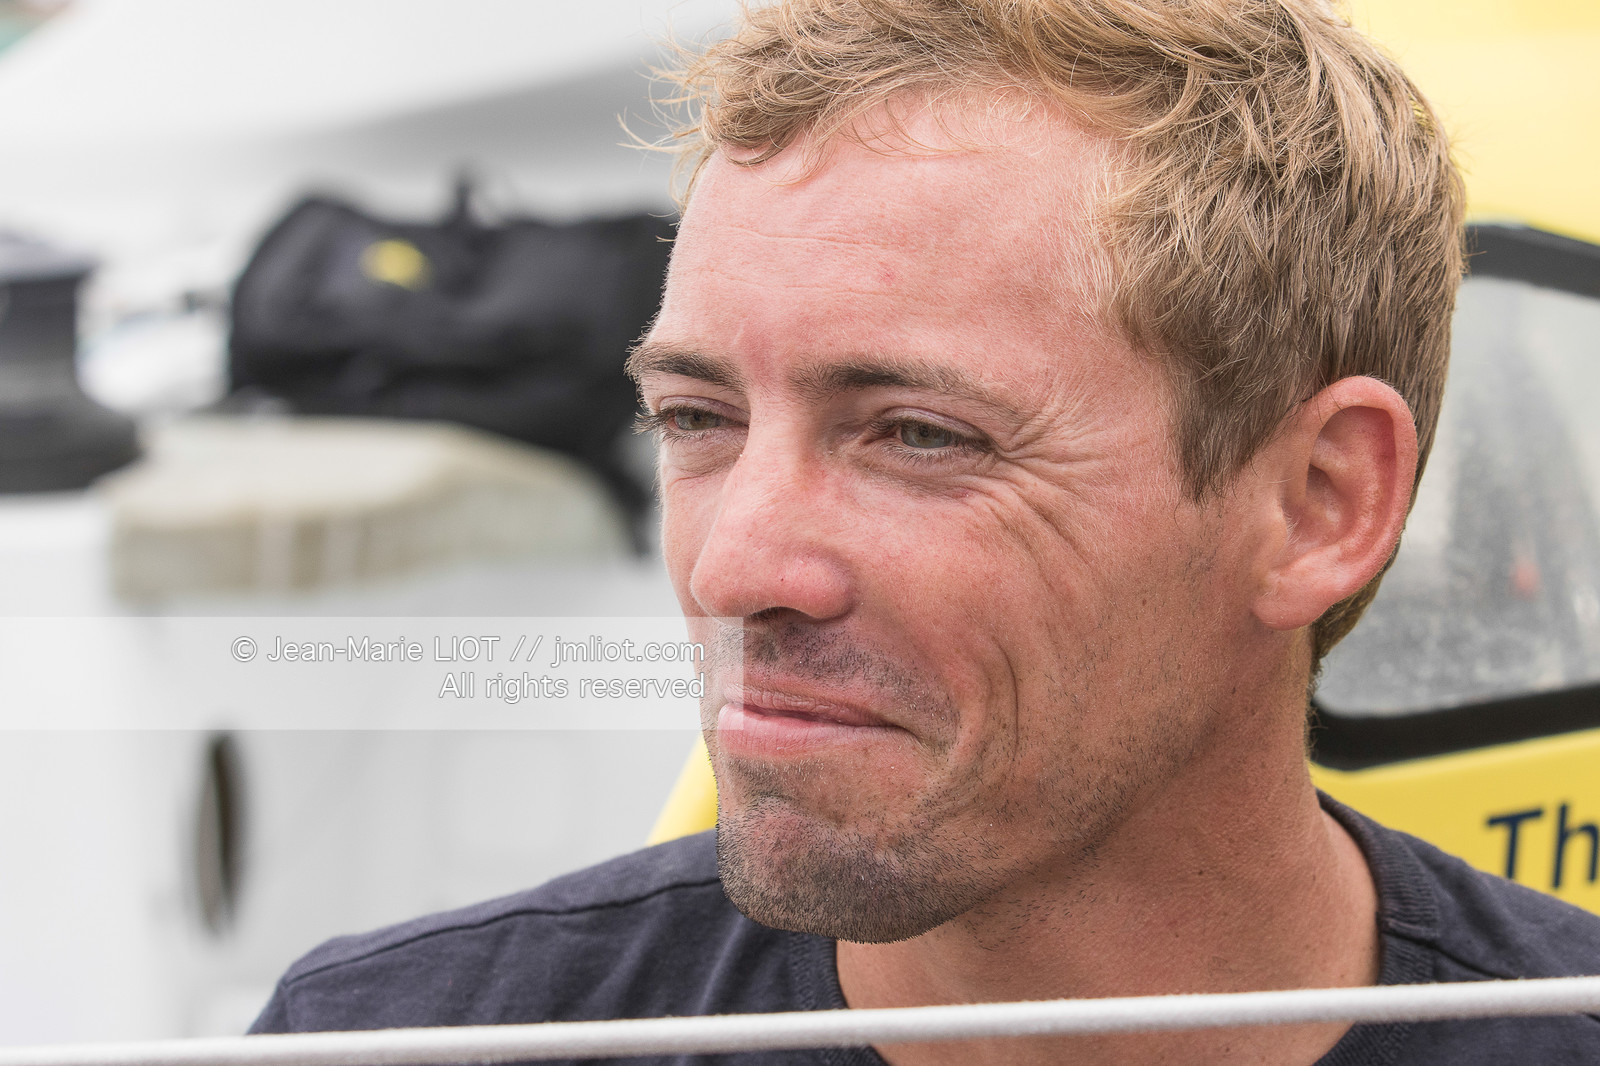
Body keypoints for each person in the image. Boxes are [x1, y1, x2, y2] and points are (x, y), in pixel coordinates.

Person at [250, 0, 1600, 1062]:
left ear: (1321, 503)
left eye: (917, 435)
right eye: (696, 418)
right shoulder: (391, 1041)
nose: (735, 568)